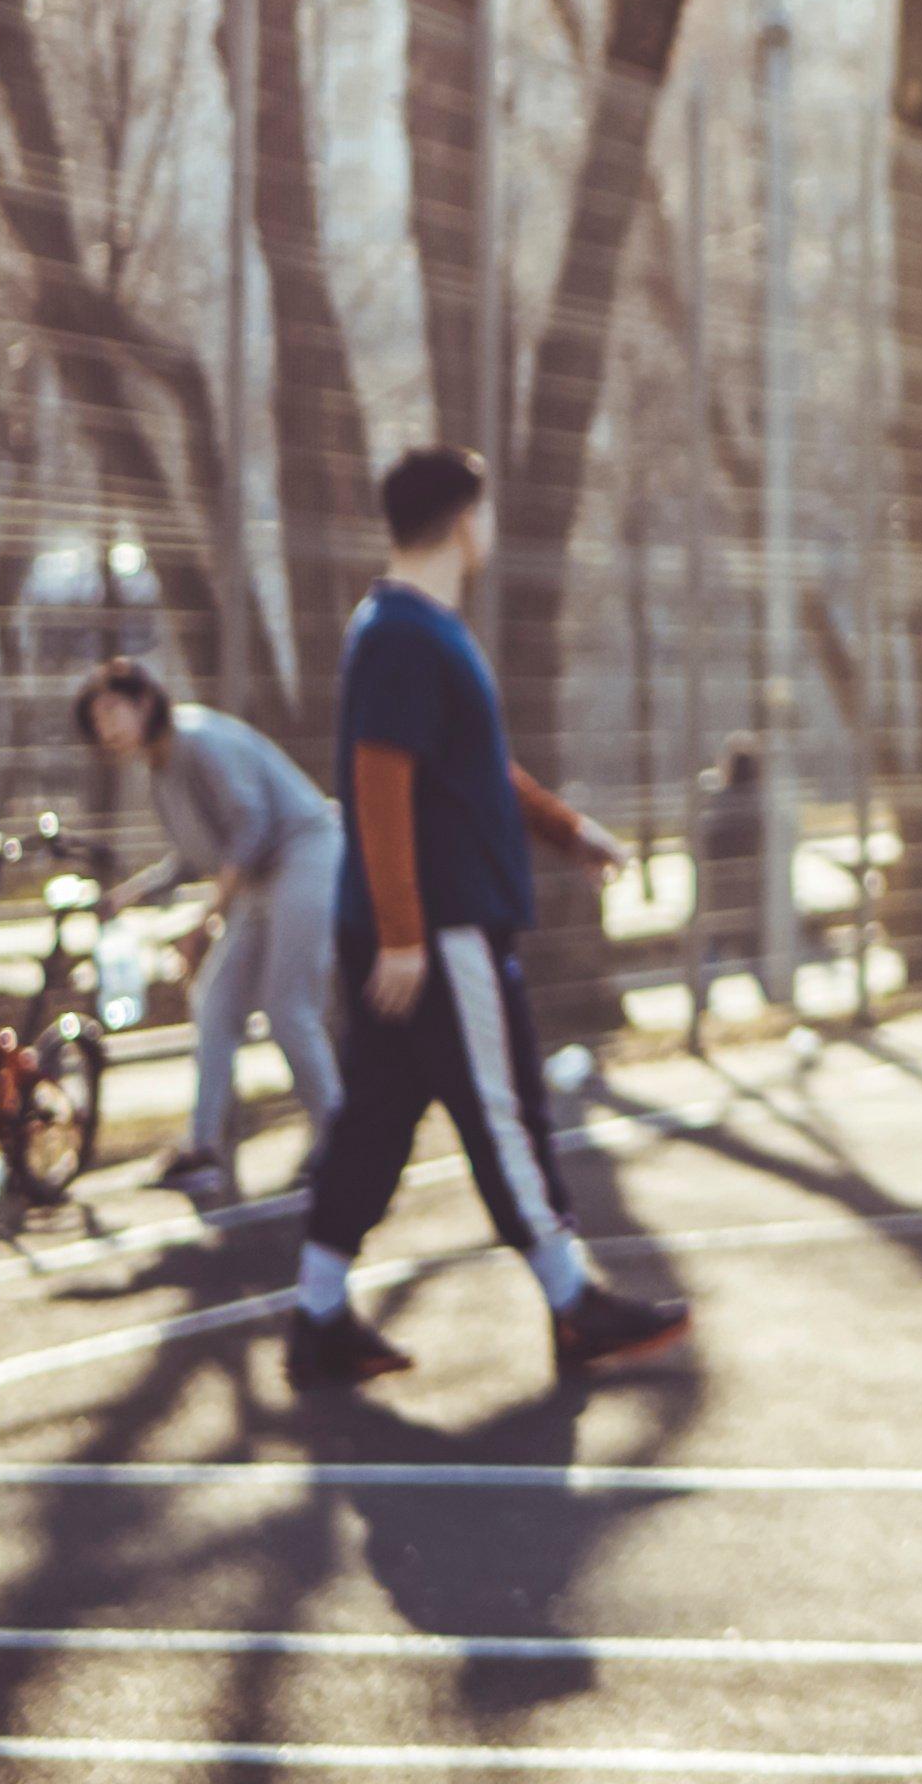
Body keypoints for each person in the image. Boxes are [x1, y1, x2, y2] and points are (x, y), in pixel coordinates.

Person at [287, 445, 690, 1385]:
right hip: (439, 934)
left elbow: (468, 773)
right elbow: (377, 784)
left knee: (375, 1125)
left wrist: (565, 830)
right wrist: (401, 934)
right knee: (504, 1112)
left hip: (422, 930)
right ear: (467, 519)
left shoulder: (413, 628)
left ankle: (317, 1314)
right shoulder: (403, 634)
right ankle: (572, 1300)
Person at [74, 654, 342, 1196]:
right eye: (97, 720)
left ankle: (344, 1136)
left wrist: (207, 917)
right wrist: (131, 894)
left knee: (287, 1006)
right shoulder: (160, 771)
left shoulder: (198, 738)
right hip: (258, 880)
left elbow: (252, 825)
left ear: (145, 702)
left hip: (305, 857)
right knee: (215, 1001)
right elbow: (195, 855)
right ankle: (205, 1150)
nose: (106, 728)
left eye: (112, 711)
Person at [691, 736, 767, 1026]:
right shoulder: (758, 805)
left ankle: (700, 1005)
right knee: (754, 954)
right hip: (750, 895)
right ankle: (774, 1000)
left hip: (720, 894)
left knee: (714, 951)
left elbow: (703, 843)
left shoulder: (719, 804)